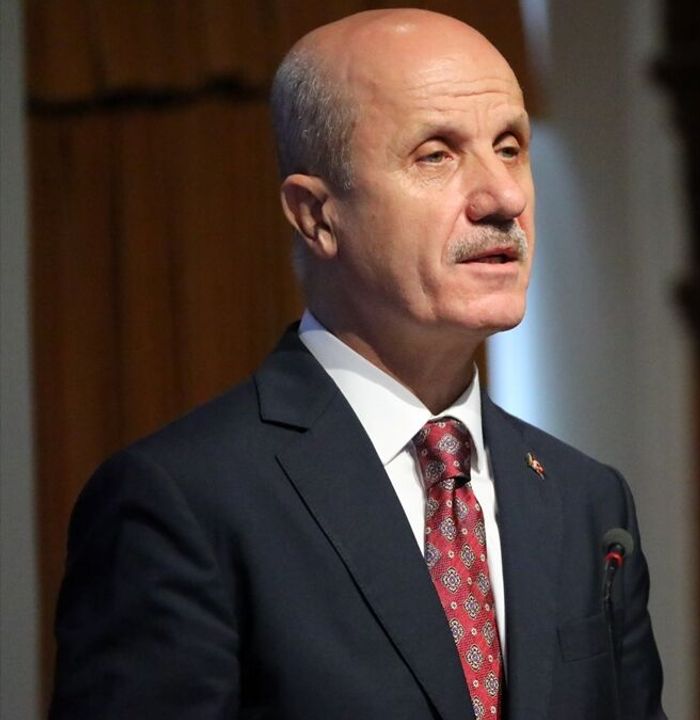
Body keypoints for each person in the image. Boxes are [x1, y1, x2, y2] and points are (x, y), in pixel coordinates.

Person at [49, 9, 666, 719]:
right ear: (317, 215)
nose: (505, 196)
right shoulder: (182, 501)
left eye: (509, 147)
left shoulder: (588, 501)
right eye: (436, 155)